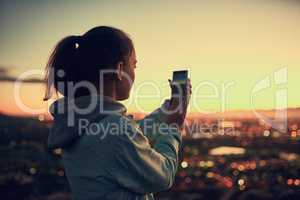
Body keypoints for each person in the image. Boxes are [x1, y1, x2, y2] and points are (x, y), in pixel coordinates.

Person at [44, 26, 191, 200]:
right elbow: (163, 175)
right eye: (134, 65)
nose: (134, 73)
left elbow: (134, 136)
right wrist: (173, 126)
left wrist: (170, 108)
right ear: (120, 70)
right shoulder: (114, 130)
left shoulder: (79, 122)